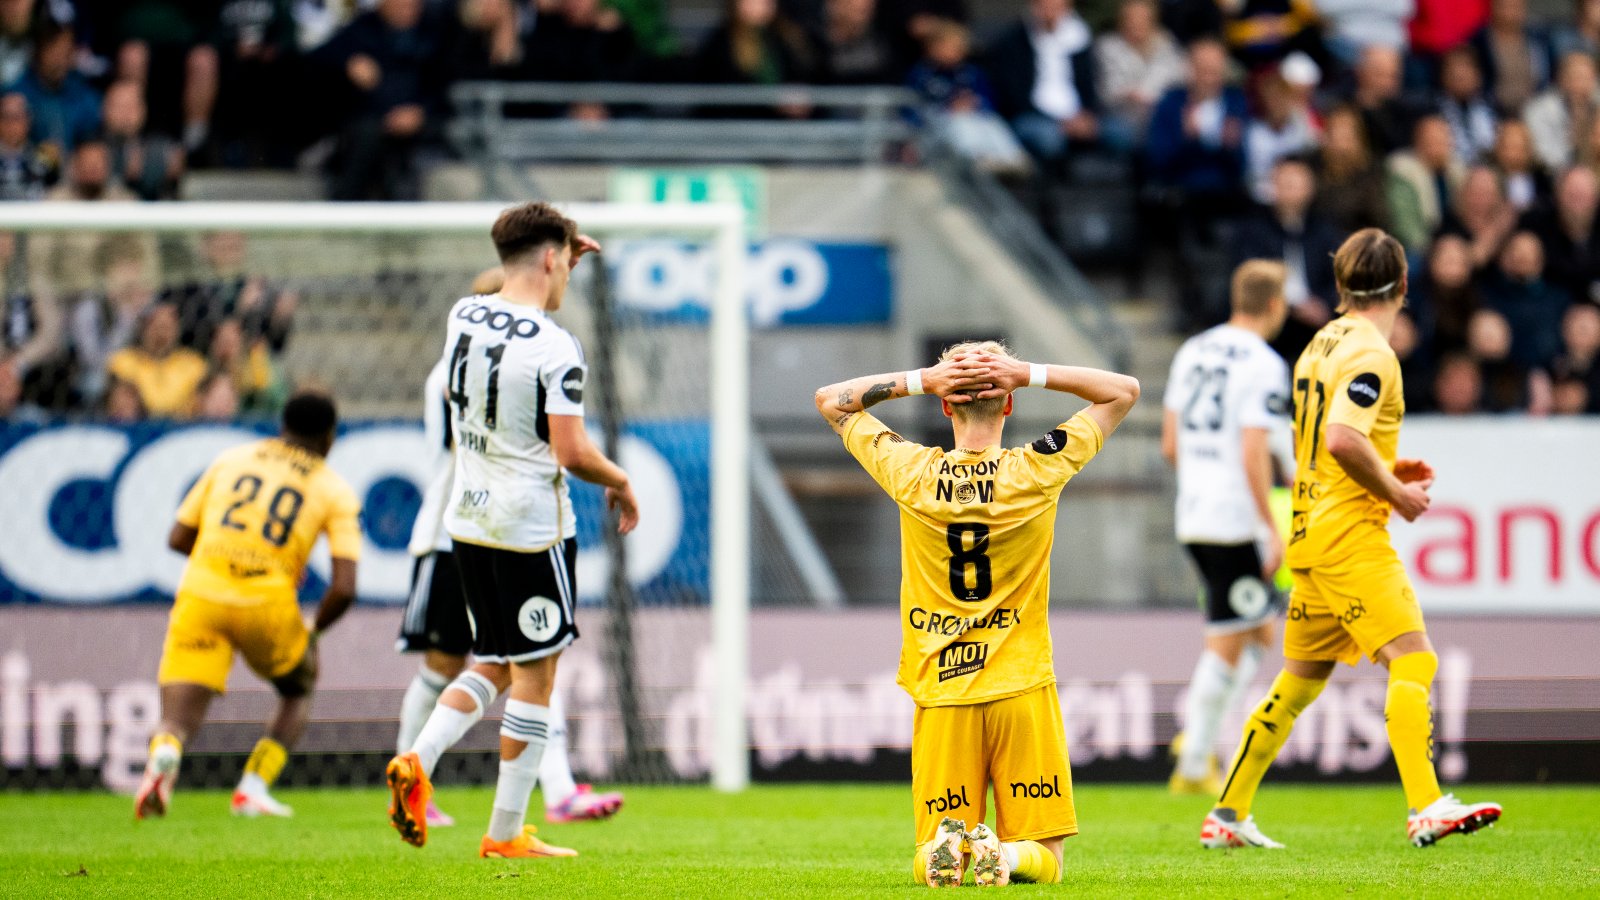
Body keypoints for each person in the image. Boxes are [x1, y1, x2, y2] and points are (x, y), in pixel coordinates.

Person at [1200, 228, 1503, 851]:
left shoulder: (1320, 343)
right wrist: (1395, 493)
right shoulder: (1371, 352)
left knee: (1298, 683)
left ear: (1340, 287)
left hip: (1310, 531)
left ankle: (1226, 815)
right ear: (1405, 284)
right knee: (1414, 660)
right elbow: (1341, 437)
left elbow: (1323, 438)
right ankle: (1426, 806)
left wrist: (1388, 470)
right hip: (1348, 535)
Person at [814, 341, 1139, 886]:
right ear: (1008, 404)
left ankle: (952, 846)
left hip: (943, 690)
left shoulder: (911, 471)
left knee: (934, 851)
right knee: (1047, 860)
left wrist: (923, 378)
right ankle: (1007, 857)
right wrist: (1025, 372)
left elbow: (832, 401)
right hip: (1020, 685)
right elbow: (1122, 392)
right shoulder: (1036, 469)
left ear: (946, 405)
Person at [385, 202, 640, 860]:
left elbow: (515, 290)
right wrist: (620, 479)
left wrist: (558, 257)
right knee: (534, 676)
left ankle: (418, 758)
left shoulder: (463, 315)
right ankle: (504, 834)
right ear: (555, 258)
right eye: (563, 261)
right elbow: (572, 452)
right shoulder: (558, 346)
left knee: (494, 661)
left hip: (466, 519)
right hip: (530, 526)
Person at [134, 391, 362, 820]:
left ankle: (165, 753)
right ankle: (253, 786)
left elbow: (178, 537)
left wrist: (224, 557)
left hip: (203, 593)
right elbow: (345, 587)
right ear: (329, 438)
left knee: (179, 713)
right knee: (298, 687)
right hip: (267, 602)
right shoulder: (333, 488)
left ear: (283, 426)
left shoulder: (232, 460)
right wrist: (313, 631)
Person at [1161, 260, 1291, 796]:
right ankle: (1194, 761)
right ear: (1275, 305)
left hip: (1193, 508)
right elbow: (1254, 448)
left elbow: (1170, 445)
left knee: (1258, 629)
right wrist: (1268, 525)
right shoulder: (1264, 363)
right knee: (1229, 637)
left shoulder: (1192, 350)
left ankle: (1199, 738)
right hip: (1233, 518)